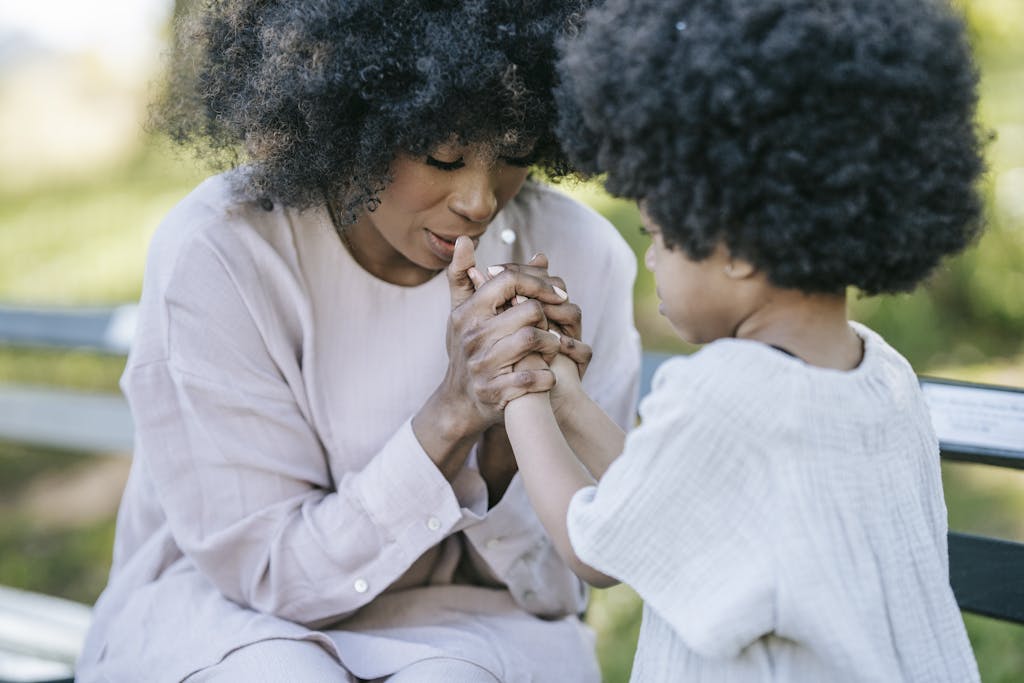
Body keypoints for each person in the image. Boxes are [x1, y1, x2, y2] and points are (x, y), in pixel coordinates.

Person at [76, 2, 640, 681]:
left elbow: (563, 580)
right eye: (443, 154)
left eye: (514, 152)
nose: (479, 200)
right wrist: (452, 413)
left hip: (475, 621)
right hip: (230, 616)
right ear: (356, 117)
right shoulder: (220, 253)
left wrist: (506, 445)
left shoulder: (580, 256)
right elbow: (268, 572)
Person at [497, 0, 986, 680]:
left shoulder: (725, 390)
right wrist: (570, 400)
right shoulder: (884, 375)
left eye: (658, 237)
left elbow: (596, 545)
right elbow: (667, 506)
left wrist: (515, 387)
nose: (651, 262)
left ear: (737, 252)